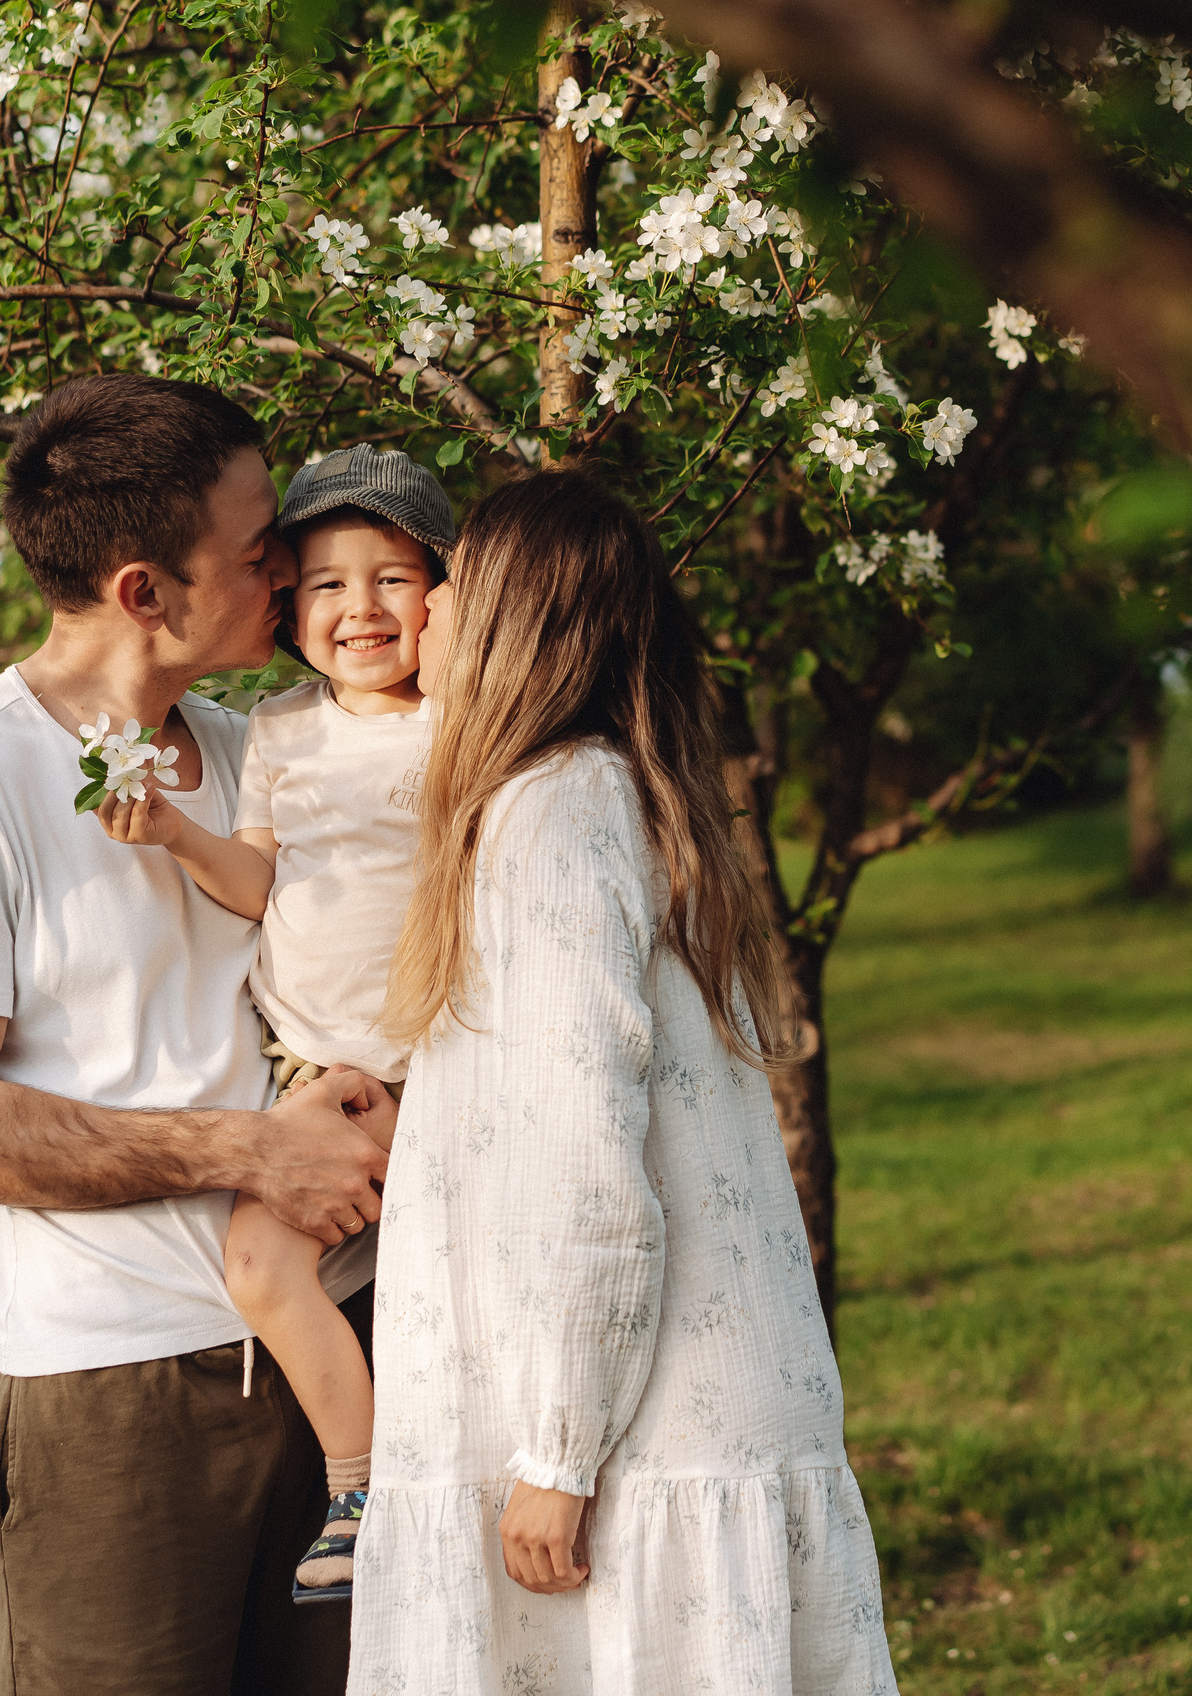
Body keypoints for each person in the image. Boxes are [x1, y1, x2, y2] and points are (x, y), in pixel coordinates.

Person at [0, 374, 394, 1696]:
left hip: (348, 1348)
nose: (293, 563)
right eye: (260, 544)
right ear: (146, 588)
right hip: (121, 1393)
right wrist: (251, 1151)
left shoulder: (253, 744)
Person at [351, 470, 901, 1693]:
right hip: (668, 1423)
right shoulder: (620, 796)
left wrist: (558, 1452)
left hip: (630, 1447)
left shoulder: (551, 812)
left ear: (510, 624)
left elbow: (583, 1161)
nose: (422, 608)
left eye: (452, 584)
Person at [96, 443, 452, 1606]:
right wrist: (176, 838)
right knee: (261, 1264)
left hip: (424, 1070)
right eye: (331, 582)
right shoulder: (283, 732)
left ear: (444, 597)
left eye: (393, 579)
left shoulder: (464, 725)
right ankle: (363, 1484)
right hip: (311, 1078)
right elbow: (258, 883)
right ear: (291, 603)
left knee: (421, 1292)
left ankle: (387, 1485)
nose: (362, 608)